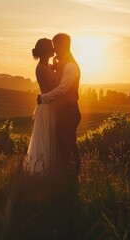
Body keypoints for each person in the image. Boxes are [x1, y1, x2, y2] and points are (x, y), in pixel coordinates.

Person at [38, 33, 81, 183]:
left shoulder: (70, 65)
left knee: (68, 145)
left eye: (55, 45)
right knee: (63, 145)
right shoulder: (64, 63)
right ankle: (66, 178)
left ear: (62, 46)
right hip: (64, 112)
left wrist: (43, 98)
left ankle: (73, 178)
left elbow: (62, 89)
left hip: (69, 112)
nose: (54, 49)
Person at [23, 38, 59, 175]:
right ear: (46, 51)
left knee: (50, 139)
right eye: (51, 47)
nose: (54, 49)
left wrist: (55, 68)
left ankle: (49, 170)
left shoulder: (47, 66)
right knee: (46, 139)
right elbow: (54, 87)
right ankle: (42, 171)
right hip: (47, 107)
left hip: (50, 105)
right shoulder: (41, 68)